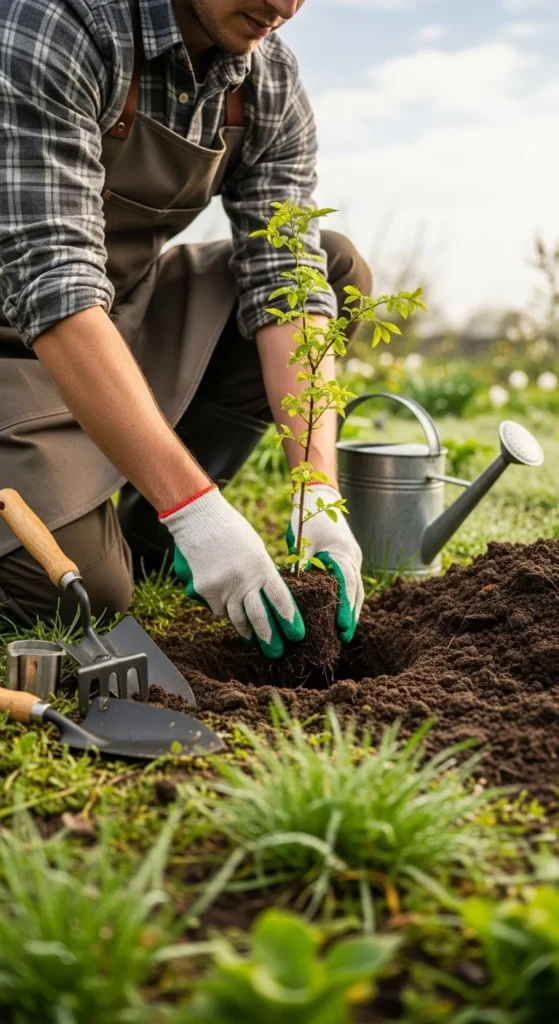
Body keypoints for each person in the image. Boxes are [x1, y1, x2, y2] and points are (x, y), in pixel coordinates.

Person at [0, 0, 371, 658]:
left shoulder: (269, 77)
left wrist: (318, 492)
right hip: (18, 340)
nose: (282, 6)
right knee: (77, 588)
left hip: (120, 311)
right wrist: (195, 507)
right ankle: (161, 510)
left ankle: (153, 527)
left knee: (329, 269)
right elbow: (52, 280)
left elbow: (285, 273)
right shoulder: (60, 21)